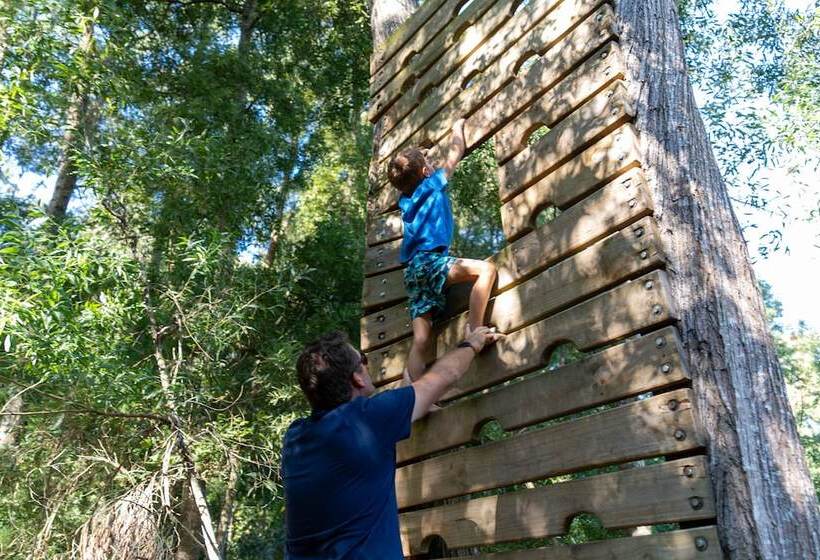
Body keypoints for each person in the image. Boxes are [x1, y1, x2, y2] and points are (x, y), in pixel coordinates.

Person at [281, 325, 501, 559]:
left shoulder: (295, 439)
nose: (367, 365)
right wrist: (472, 343)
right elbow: (446, 376)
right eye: (363, 360)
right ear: (356, 377)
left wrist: (406, 395)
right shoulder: (369, 419)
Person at [387, 118, 498, 382]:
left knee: (422, 339)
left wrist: (414, 163)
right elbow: (456, 151)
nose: (432, 165)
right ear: (426, 172)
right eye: (428, 164)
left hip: (413, 273)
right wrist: (457, 127)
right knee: (487, 270)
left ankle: (415, 391)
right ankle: (475, 330)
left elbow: (407, 175)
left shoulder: (405, 201)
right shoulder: (432, 184)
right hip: (429, 262)